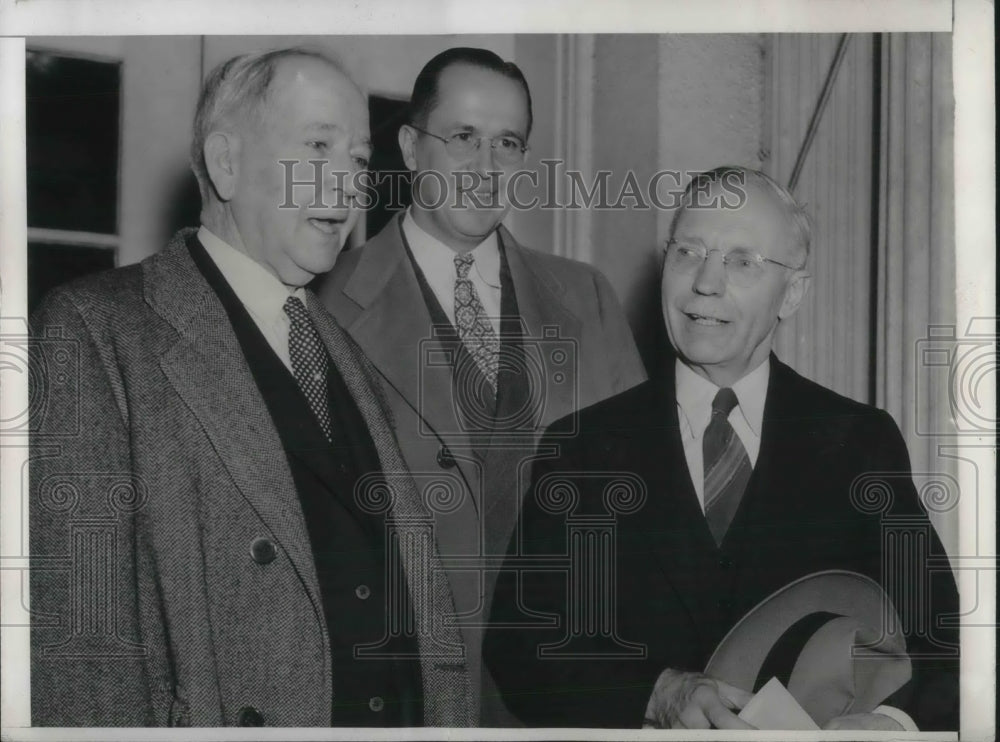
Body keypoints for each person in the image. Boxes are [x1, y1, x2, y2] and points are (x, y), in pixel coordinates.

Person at [30, 48, 473, 727]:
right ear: (227, 162)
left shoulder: (347, 352)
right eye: (318, 147)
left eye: (357, 159)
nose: (351, 185)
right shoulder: (96, 333)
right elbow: (85, 654)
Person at [484, 166, 959, 730]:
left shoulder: (858, 441)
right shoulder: (583, 447)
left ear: (794, 292)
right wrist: (656, 691)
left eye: (742, 261)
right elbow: (522, 644)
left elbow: (944, 636)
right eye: (689, 252)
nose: (705, 283)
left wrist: (889, 721)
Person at [318, 47, 646, 725]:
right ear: (411, 148)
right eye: (463, 138)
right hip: (402, 699)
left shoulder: (587, 298)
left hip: (573, 697)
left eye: (507, 144)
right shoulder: (323, 307)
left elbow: (647, 519)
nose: (486, 167)